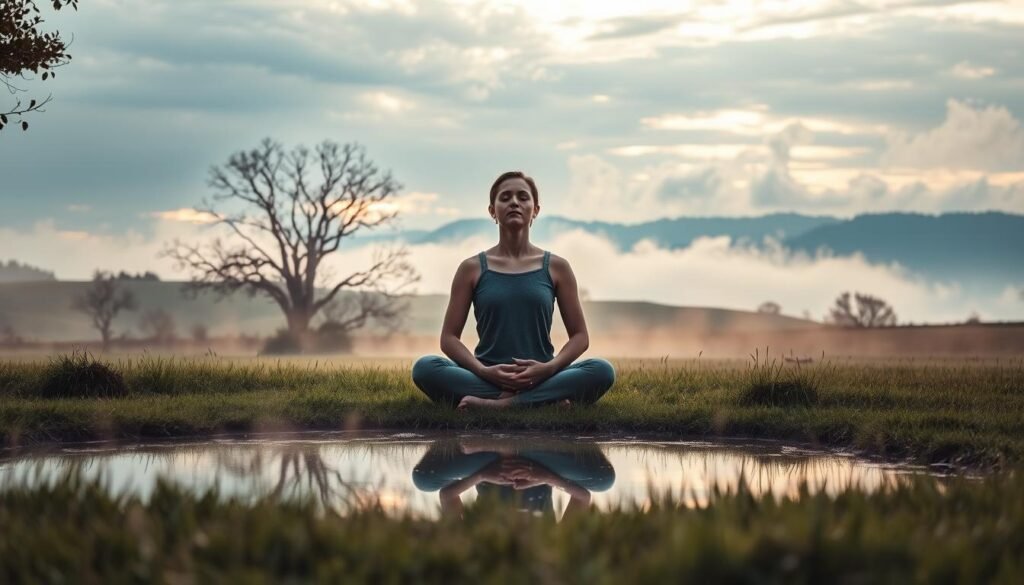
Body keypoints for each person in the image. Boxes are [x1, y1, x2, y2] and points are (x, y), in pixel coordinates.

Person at [411, 170, 616, 409]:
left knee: (602, 370)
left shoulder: (557, 267)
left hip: (542, 377)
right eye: (505, 197)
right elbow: (448, 338)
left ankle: (500, 405)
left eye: (523, 197)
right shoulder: (471, 268)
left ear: (535, 210)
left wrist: (548, 368)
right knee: (425, 367)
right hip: (485, 376)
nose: (515, 203)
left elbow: (580, 336)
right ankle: (544, 402)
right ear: (492, 211)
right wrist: (484, 371)